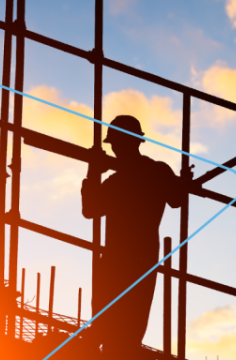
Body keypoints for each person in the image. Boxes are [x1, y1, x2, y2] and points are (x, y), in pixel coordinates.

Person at [81, 115, 186, 358]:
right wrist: (182, 183)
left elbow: (90, 209)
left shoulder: (119, 181)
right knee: (127, 331)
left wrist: (92, 171)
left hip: (118, 261)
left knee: (109, 327)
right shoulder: (156, 171)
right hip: (141, 260)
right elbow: (177, 199)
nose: (114, 149)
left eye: (115, 143)